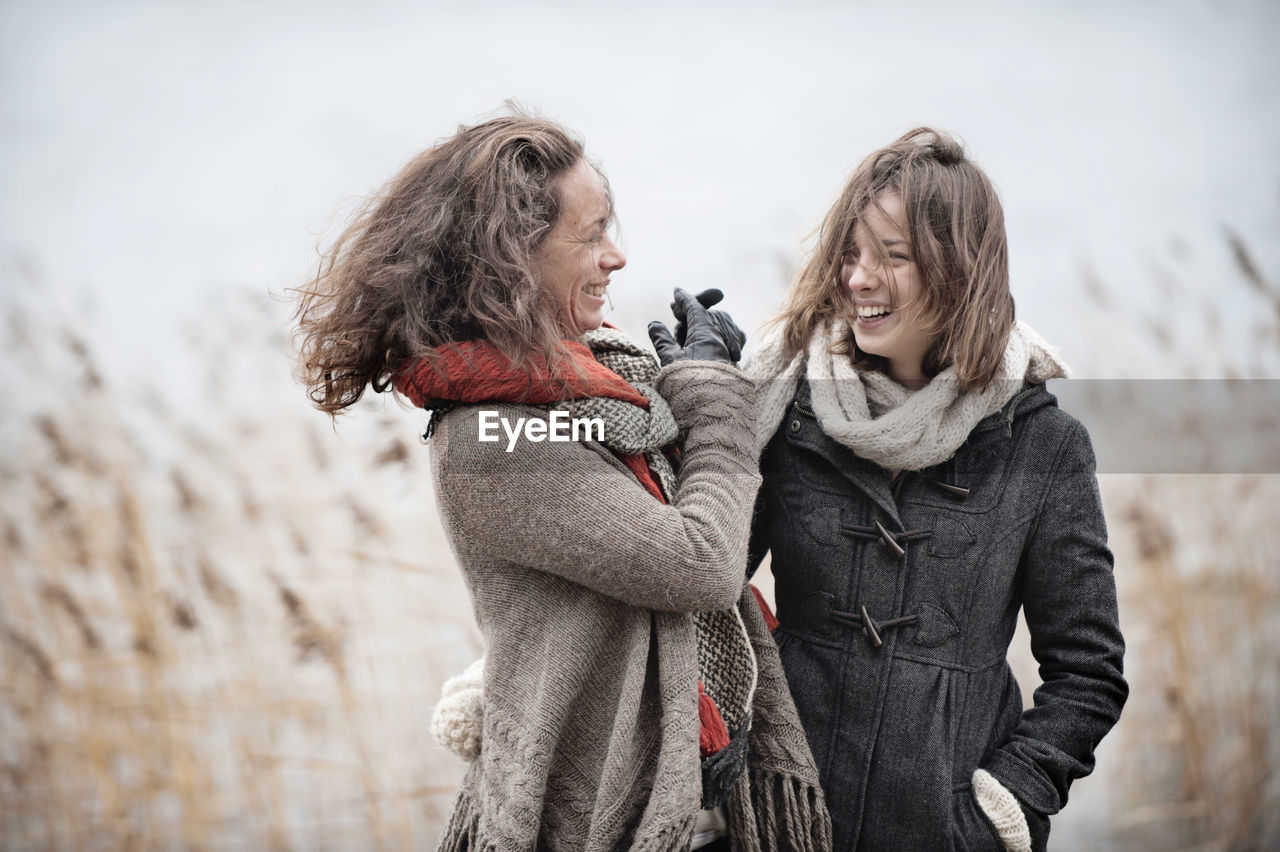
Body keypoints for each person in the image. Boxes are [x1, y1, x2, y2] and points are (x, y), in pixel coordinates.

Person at [292, 112, 831, 851]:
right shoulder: (489, 439)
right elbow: (702, 562)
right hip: (601, 822)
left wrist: (693, 397)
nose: (618, 257)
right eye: (591, 235)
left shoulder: (601, 385)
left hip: (696, 800)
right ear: (510, 259)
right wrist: (709, 402)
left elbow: (716, 530)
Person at [745, 128, 1127, 851]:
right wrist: (703, 413)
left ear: (960, 271)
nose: (859, 279)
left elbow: (1088, 672)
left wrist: (1003, 807)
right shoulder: (789, 410)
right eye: (851, 254)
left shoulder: (1044, 446)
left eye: (893, 256)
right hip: (777, 819)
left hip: (944, 831)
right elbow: (701, 578)